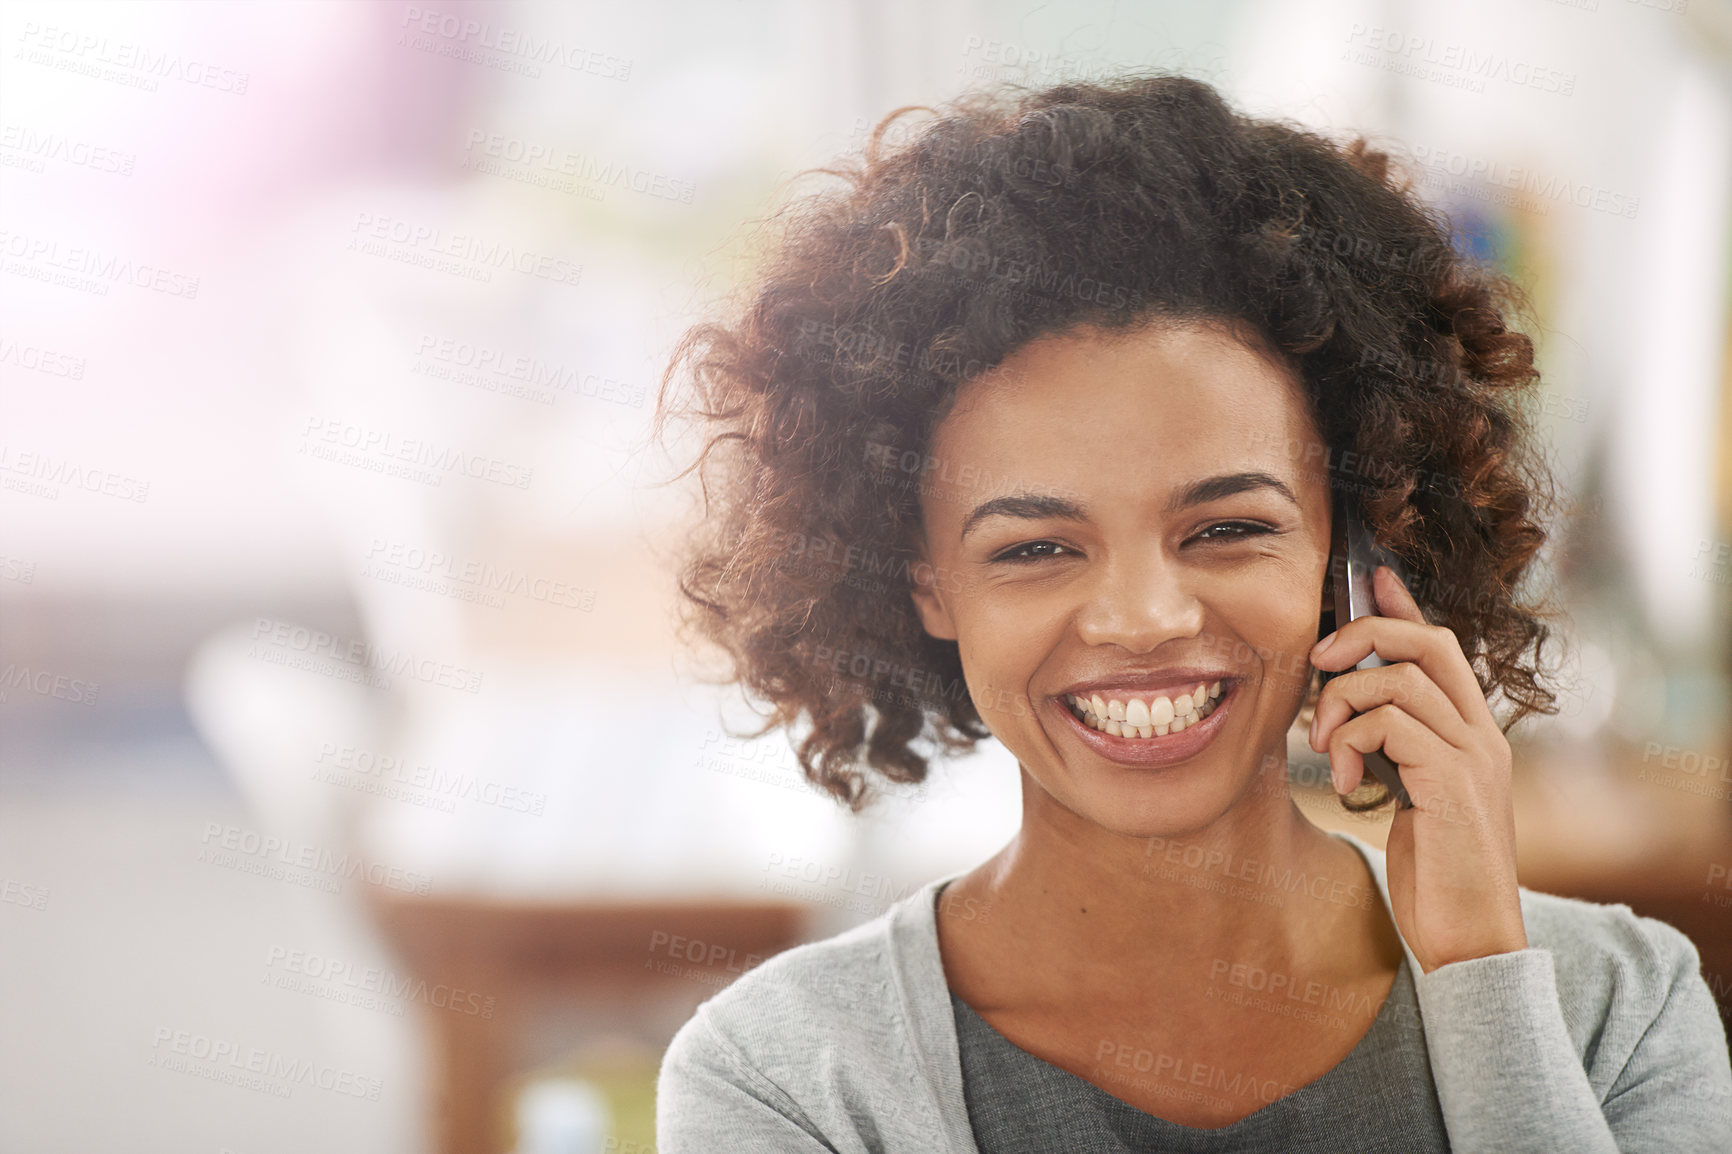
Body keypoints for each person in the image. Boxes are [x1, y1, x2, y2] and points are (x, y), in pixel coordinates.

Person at [649, 73, 1732, 1151]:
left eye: (1224, 528)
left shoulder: (1615, 1014)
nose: (1143, 617)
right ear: (922, 578)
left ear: (1348, 543)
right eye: (1033, 547)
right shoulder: (781, 1081)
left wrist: (1482, 981)